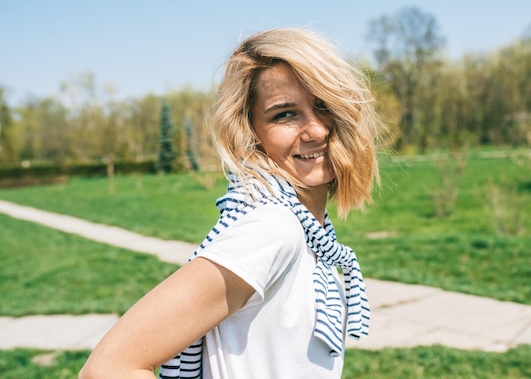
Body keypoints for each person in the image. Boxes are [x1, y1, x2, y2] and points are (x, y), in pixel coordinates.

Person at [79, 27, 381, 379]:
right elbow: (108, 368)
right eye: (285, 114)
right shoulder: (273, 230)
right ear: (251, 134)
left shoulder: (308, 232)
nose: (315, 130)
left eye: (323, 105)